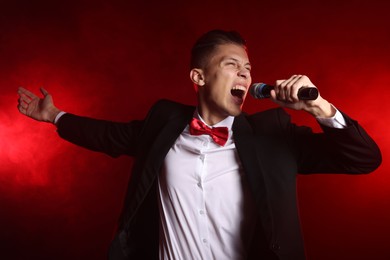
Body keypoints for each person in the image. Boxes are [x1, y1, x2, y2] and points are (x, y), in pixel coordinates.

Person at [17, 30, 381, 260]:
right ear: (198, 76)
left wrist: (319, 106)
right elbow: (110, 136)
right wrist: (55, 116)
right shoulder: (163, 124)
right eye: (232, 64)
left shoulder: (274, 136)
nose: (245, 73)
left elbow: (363, 159)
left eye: (248, 67)